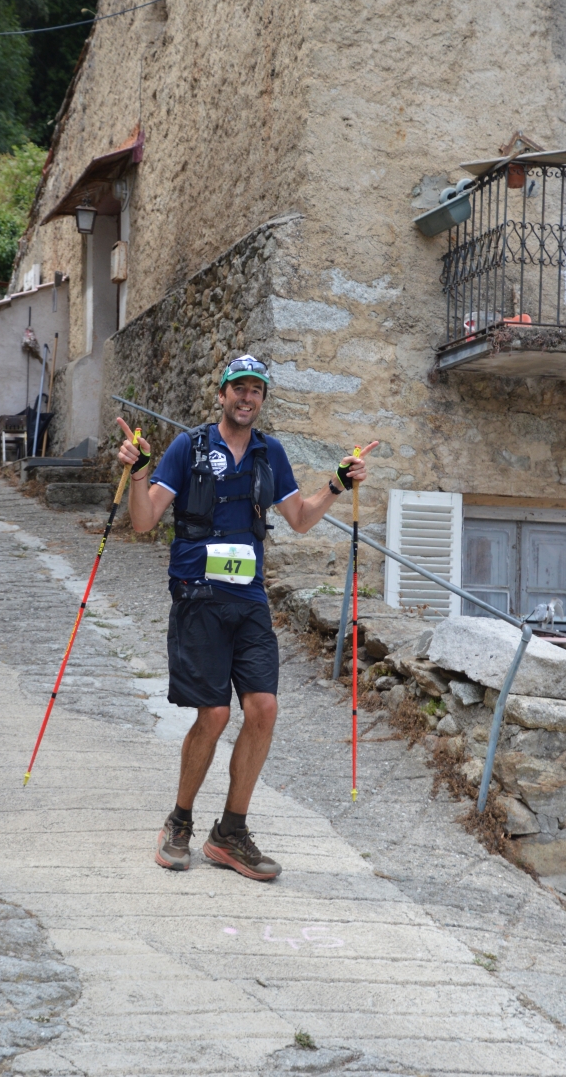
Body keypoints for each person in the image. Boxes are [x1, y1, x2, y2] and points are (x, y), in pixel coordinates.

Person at [116, 355, 378, 881]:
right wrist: (138, 471)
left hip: (250, 599)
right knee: (213, 714)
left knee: (263, 709)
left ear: (261, 399)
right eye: (238, 387)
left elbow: (299, 519)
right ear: (222, 395)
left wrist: (337, 483)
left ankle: (230, 833)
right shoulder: (188, 448)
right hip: (197, 596)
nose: (247, 397)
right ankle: (179, 822)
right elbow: (143, 522)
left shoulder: (269, 452)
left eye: (256, 389)